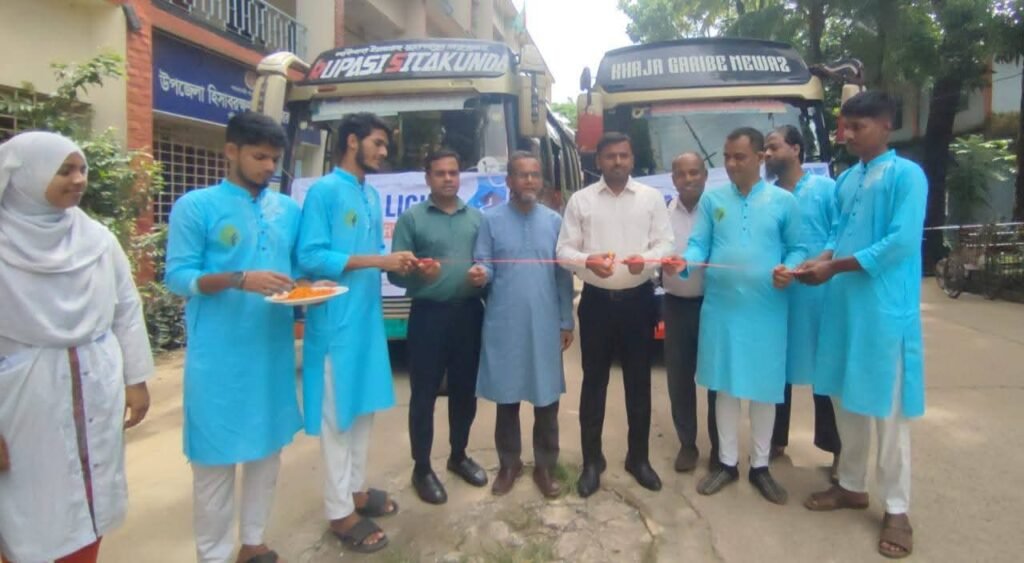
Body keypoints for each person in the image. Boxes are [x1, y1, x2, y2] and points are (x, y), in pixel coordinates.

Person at [0, 132, 153, 563]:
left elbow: (126, 308)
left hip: (94, 380)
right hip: (21, 397)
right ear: (26, 177)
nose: (79, 179)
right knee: (28, 509)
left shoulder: (96, 239)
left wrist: (136, 379)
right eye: (64, 170)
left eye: (82, 169)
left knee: (91, 495)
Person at [165, 112, 303, 563]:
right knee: (214, 459)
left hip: (272, 349)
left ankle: (254, 542)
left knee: (268, 450)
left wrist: (310, 288)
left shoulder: (287, 210)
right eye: (259, 157)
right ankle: (214, 555)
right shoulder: (197, 206)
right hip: (219, 355)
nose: (269, 167)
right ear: (231, 151)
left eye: (275, 159)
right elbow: (179, 277)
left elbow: (295, 270)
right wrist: (238, 278)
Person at [796, 91, 927, 559]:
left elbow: (901, 242)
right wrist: (819, 260)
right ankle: (851, 485)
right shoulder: (847, 179)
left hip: (883, 311)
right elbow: (836, 233)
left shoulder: (906, 175)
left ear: (887, 125)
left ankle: (897, 509)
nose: (848, 135)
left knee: (887, 414)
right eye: (845, 127)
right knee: (843, 401)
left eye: (858, 127)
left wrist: (834, 266)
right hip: (842, 307)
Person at [297, 112, 417, 554]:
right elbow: (311, 256)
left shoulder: (369, 194)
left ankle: (355, 491)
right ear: (352, 141)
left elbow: (368, 255)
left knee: (363, 409)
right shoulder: (324, 192)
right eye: (378, 143)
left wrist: (398, 262)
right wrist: (379, 261)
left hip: (367, 320)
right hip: (335, 323)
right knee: (338, 418)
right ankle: (338, 511)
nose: (384, 152)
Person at [681, 127, 807, 505]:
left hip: (767, 309)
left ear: (760, 157)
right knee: (725, 386)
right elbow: (698, 245)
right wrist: (682, 263)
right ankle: (726, 462)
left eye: (740, 156)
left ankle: (761, 466)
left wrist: (790, 268)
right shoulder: (713, 200)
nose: (732, 164)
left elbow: (798, 248)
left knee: (765, 389)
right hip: (722, 309)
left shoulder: (784, 201)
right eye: (727, 157)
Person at [556, 132, 674, 497]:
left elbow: (665, 243)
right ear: (598, 161)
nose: (618, 161)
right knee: (594, 384)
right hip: (596, 303)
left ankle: (638, 459)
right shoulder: (581, 200)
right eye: (610, 156)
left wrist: (648, 261)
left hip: (639, 302)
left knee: (639, 383)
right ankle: (592, 462)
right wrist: (586, 261)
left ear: (632, 158)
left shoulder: (651, 198)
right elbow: (563, 251)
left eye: (623, 155)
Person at [472, 152, 575, 498]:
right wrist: (480, 273)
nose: (530, 180)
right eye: (522, 175)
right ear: (509, 181)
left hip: (545, 322)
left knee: (547, 398)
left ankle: (545, 466)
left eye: (535, 174)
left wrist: (566, 320)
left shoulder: (554, 221)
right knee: (507, 396)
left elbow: (563, 276)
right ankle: (509, 464)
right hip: (504, 321)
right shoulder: (490, 220)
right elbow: (485, 264)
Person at [388, 149, 487, 505]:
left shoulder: (477, 219)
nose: (448, 178)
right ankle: (422, 468)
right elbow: (395, 274)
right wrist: (417, 274)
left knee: (465, 391)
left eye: (453, 172)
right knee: (424, 393)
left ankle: (459, 455)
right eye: (440, 173)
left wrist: (483, 277)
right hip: (428, 315)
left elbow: (487, 266)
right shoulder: (412, 219)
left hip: (469, 315)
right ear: (427, 177)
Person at [763, 126, 842, 478]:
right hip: (779, 295)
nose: (767, 154)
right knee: (777, 369)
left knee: (825, 371)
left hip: (819, 296)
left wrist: (823, 259)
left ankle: (837, 449)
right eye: (765, 149)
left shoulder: (826, 189)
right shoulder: (767, 196)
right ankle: (774, 440)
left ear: (796, 149)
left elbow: (840, 231)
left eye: (773, 147)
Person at [661, 152, 720, 473]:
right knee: (679, 378)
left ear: (705, 175)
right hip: (676, 305)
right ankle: (687, 444)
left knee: (715, 378)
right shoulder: (662, 214)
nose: (689, 179)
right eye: (681, 174)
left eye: (695, 172)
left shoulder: (718, 211)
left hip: (714, 304)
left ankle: (720, 448)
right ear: (673, 179)